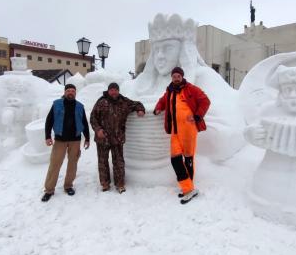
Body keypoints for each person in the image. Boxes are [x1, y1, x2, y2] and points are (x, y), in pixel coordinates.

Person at [153, 67, 210, 204]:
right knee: (175, 159)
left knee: (188, 159)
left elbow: (205, 101)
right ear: (172, 78)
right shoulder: (170, 91)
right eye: (174, 76)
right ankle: (189, 188)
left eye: (178, 76)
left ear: (182, 77)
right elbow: (163, 100)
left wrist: (197, 116)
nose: (176, 78)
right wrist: (158, 108)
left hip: (188, 130)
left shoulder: (191, 88)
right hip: (175, 131)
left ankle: (188, 189)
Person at [90, 82, 145, 193]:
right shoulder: (101, 102)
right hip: (103, 138)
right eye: (112, 90)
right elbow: (93, 117)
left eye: (116, 90)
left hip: (117, 138)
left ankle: (120, 184)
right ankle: (105, 184)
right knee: (102, 162)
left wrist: (140, 110)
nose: (114, 92)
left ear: (118, 91)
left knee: (119, 162)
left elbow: (137, 104)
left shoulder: (124, 102)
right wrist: (98, 129)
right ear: (108, 91)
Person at [42, 84, 90, 202]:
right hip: (60, 139)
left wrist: (87, 138)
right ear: (65, 92)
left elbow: (84, 122)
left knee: (72, 164)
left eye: (73, 91)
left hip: (75, 139)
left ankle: (68, 186)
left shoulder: (79, 106)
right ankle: (49, 190)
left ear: (75, 93)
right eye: (68, 90)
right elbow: (49, 121)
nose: (71, 92)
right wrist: (48, 136)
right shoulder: (57, 104)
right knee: (55, 164)